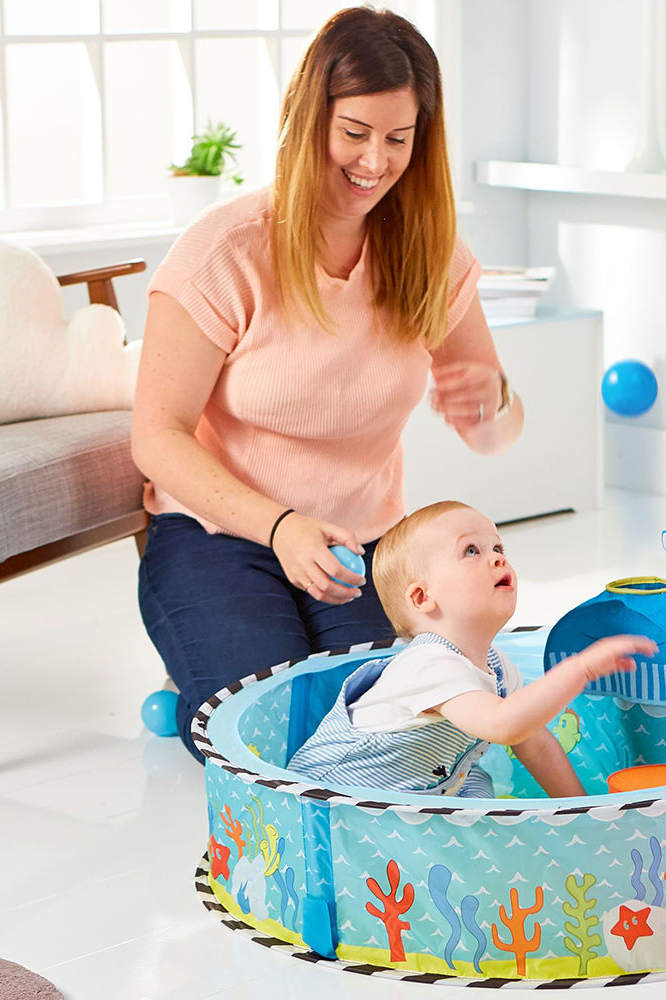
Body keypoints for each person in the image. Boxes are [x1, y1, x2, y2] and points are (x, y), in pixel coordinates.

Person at [131, 8, 524, 762]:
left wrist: (493, 402)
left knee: (394, 729)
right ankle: (202, 651)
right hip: (223, 533)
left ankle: (218, 653)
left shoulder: (431, 256)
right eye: (355, 133)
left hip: (364, 543)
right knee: (265, 736)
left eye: (398, 139)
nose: (375, 161)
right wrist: (280, 528)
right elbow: (157, 436)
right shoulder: (225, 251)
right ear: (310, 120)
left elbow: (495, 432)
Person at [287, 501, 657, 798]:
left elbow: (536, 744)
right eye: (471, 550)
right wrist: (581, 670)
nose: (498, 557)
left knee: (477, 791)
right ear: (422, 596)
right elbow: (503, 724)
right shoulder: (427, 664)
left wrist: (580, 811)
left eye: (498, 547)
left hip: (428, 787)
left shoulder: (497, 667)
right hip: (335, 800)